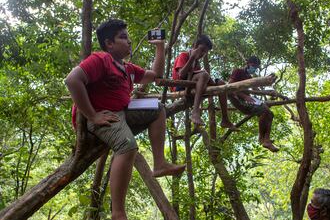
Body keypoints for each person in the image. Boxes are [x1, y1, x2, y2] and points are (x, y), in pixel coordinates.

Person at [65, 19, 185, 220]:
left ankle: (160, 164)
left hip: (122, 111)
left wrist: (160, 48)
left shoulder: (127, 68)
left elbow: (154, 75)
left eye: (128, 37)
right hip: (102, 115)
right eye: (123, 37)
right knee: (127, 145)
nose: (129, 41)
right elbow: (72, 80)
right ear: (109, 43)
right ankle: (118, 213)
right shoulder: (101, 59)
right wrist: (92, 115)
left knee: (158, 107)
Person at [172, 35, 237, 130]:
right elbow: (181, 74)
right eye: (202, 50)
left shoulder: (197, 63)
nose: (203, 53)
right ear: (194, 46)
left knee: (221, 83)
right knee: (204, 75)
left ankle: (225, 119)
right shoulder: (184, 55)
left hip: (193, 85)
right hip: (180, 86)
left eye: (205, 52)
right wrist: (192, 58)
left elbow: (197, 78)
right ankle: (195, 111)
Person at [228, 56, 279, 152]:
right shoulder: (238, 71)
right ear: (248, 63)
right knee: (264, 111)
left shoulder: (249, 77)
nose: (254, 68)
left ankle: (266, 139)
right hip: (239, 100)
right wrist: (244, 96)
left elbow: (257, 90)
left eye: (256, 67)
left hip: (248, 100)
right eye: (253, 66)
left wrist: (270, 92)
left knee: (270, 114)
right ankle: (262, 138)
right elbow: (229, 87)